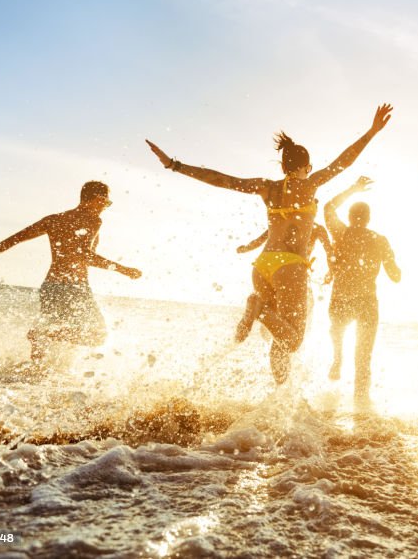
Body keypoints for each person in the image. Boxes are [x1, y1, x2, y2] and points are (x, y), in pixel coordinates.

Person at [146, 103, 392, 385]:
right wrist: (372, 132)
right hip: (290, 267)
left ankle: (279, 395)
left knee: (280, 337)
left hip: (263, 266)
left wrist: (174, 165)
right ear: (305, 167)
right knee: (294, 340)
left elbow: (224, 180)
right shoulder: (310, 185)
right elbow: (343, 162)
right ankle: (258, 309)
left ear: (283, 166)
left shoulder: (267, 187)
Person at [0, 181, 141, 364]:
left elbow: (14, 239)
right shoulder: (93, 220)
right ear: (95, 199)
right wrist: (123, 269)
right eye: (105, 202)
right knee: (97, 336)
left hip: (50, 287)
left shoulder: (54, 220)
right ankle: (39, 339)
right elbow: (84, 255)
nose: (105, 207)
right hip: (74, 288)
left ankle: (34, 376)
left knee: (46, 341)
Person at [322, 176, 401, 405]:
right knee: (363, 358)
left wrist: (353, 189)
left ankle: (337, 357)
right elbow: (395, 276)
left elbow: (327, 207)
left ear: (349, 217)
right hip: (367, 301)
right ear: (368, 219)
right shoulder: (380, 240)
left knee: (337, 330)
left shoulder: (342, 233)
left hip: (341, 297)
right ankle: (361, 407)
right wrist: (392, 263)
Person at [234, 222, 333, 342]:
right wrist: (331, 272)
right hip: (292, 272)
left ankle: (235, 341)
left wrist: (245, 248)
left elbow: (259, 240)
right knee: (299, 317)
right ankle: (283, 349)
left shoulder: (280, 223)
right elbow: (330, 252)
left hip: (265, 266)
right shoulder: (316, 228)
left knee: (269, 310)